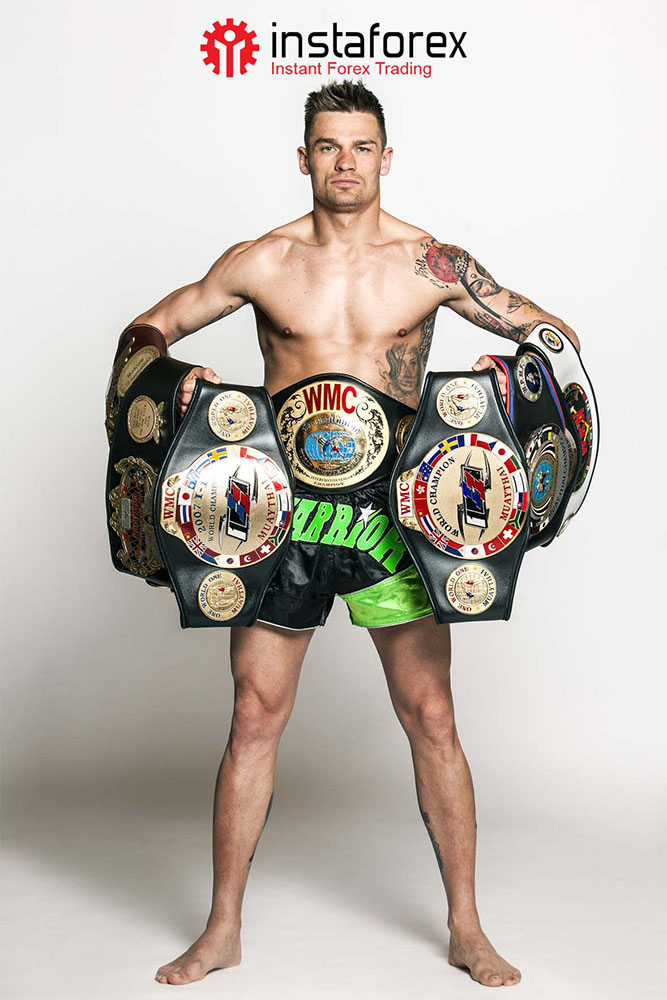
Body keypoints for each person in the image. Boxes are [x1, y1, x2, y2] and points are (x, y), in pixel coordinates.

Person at [125, 81, 580, 987]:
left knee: (430, 715)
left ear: (385, 157)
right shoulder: (261, 260)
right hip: (281, 515)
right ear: (304, 158)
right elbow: (152, 327)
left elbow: (546, 333)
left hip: (395, 517)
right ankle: (222, 931)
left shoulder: (431, 263)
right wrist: (169, 379)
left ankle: (466, 929)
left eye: (361, 146)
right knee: (253, 714)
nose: (345, 162)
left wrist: (513, 378)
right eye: (328, 146)